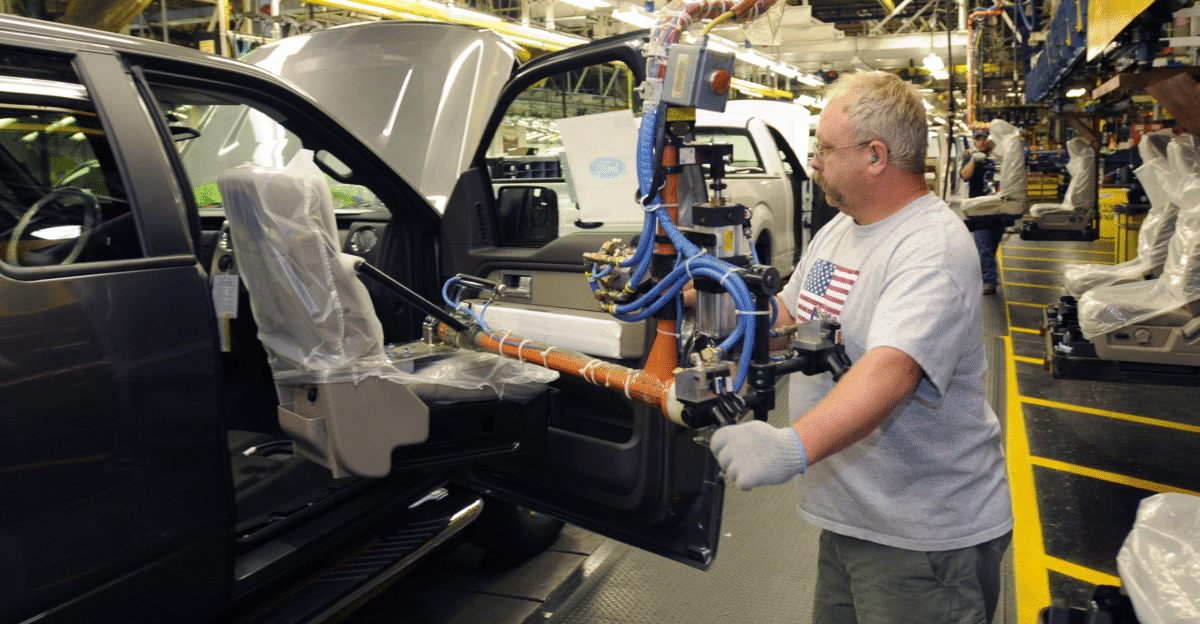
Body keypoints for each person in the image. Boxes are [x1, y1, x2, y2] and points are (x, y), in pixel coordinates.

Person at [709, 71, 1013, 624]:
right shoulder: (840, 229)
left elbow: (890, 373)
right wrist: (702, 297)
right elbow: (788, 315)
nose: (816, 160)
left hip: (922, 537)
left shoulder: (932, 247)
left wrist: (790, 447)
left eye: (825, 146)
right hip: (852, 518)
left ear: (876, 155)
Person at [961, 130, 1002, 295]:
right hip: (979, 209)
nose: (982, 141)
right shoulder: (970, 157)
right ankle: (989, 280)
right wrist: (973, 159)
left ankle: (989, 272)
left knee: (992, 245)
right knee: (984, 245)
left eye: (985, 138)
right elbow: (965, 175)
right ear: (975, 142)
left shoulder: (998, 156)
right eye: (979, 139)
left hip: (999, 208)